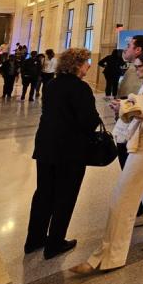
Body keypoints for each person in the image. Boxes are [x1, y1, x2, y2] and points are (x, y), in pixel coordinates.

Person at [71, 50, 143, 274]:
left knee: (124, 196)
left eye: (140, 67)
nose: (137, 70)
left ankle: (109, 255)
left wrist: (123, 108)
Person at [25, 48, 101, 259]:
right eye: (86, 62)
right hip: (70, 149)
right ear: (77, 64)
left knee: (44, 193)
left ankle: (34, 239)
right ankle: (55, 243)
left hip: (46, 146)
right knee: (65, 195)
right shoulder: (80, 88)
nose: (88, 65)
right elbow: (89, 120)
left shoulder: (52, 85)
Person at [113, 34, 143, 222]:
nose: (125, 49)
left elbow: (142, 106)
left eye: (129, 45)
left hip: (135, 131)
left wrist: (122, 107)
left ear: (138, 50)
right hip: (126, 128)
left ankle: (139, 209)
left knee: (134, 170)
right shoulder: (133, 70)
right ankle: (140, 207)